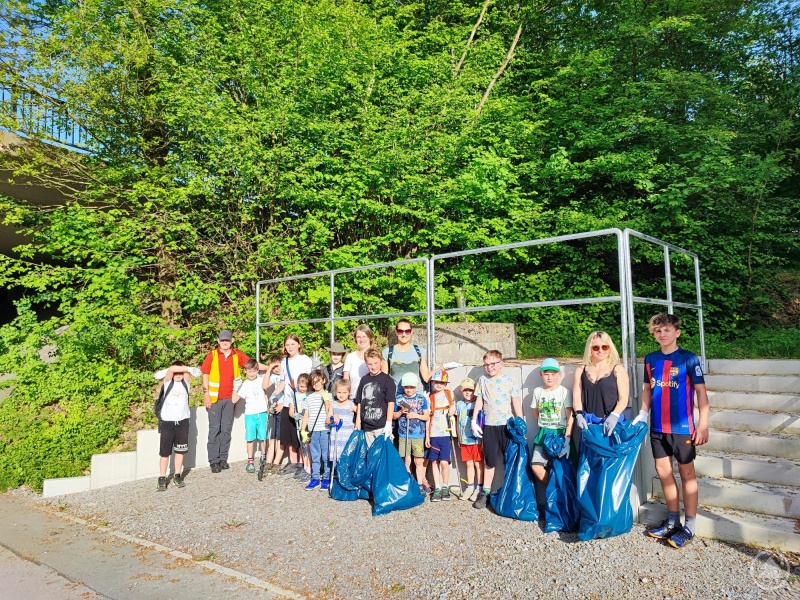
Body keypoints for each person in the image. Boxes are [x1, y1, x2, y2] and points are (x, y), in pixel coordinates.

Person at [635, 313, 709, 549]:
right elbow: (647, 390)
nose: (662, 334)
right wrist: (642, 414)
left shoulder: (689, 358)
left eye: (666, 330)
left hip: (682, 428)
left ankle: (690, 526)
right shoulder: (651, 359)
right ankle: (672, 520)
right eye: (657, 331)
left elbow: (701, 393)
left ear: (677, 332)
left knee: (687, 474)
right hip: (657, 427)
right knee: (664, 472)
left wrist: (703, 423)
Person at [470, 350, 523, 509]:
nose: (489, 367)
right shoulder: (482, 381)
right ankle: (485, 492)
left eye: (492, 364)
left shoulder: (509, 381)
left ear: (501, 364)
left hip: (507, 426)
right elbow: (479, 401)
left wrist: (520, 421)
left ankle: (509, 492)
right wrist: (474, 420)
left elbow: (515, 402)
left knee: (509, 460)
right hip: (489, 427)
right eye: (486, 364)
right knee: (490, 461)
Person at [201, 330, 257, 473]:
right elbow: (205, 374)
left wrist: (270, 368)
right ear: (218, 341)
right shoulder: (212, 355)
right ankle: (213, 461)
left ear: (231, 341)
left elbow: (252, 366)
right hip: (214, 399)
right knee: (214, 430)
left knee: (226, 430)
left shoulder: (236, 354)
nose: (225, 342)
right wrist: (206, 394)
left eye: (227, 340)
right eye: (222, 340)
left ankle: (223, 459)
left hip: (229, 399)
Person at [572, 331, 629, 437]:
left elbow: (624, 398)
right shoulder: (581, 370)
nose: (600, 350)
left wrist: (614, 415)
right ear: (590, 349)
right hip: (589, 425)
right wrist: (578, 415)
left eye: (604, 347)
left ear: (610, 348)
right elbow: (576, 396)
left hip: (612, 423)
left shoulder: (618, 369)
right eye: (596, 347)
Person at [271, 335, 313, 477]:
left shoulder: (305, 360)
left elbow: (309, 380)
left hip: (301, 401)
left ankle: (303, 463)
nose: (290, 347)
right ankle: (293, 462)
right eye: (287, 344)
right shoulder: (284, 361)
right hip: (288, 402)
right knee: (288, 432)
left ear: (299, 345)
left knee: (301, 433)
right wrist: (275, 394)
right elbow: (284, 381)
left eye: (293, 344)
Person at [530, 358, 573, 488]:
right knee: (536, 466)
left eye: (553, 374)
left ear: (559, 374)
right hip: (543, 433)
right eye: (546, 374)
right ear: (541, 374)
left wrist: (567, 439)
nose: (549, 377)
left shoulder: (564, 392)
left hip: (559, 434)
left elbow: (570, 416)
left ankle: (561, 496)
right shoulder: (538, 391)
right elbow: (535, 413)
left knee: (561, 470)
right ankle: (553, 490)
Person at [155, 361, 197, 491]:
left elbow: (187, 373)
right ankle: (162, 477)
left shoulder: (186, 383)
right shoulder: (168, 383)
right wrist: (179, 368)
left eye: (181, 372)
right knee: (165, 452)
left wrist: (187, 370)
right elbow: (171, 370)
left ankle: (177, 475)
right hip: (168, 422)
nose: (178, 374)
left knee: (180, 450)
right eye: (176, 372)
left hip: (182, 421)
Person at [393, 372, 430, 494]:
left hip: (418, 435)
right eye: (406, 387)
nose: (409, 390)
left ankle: (419, 484)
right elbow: (394, 416)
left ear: (417, 386)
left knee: (418, 461)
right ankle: (407, 483)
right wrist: (401, 412)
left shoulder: (421, 399)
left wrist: (415, 415)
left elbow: (426, 417)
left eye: (412, 387)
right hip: (404, 435)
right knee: (406, 460)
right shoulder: (399, 399)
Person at [232, 359, 269, 473]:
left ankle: (264, 457)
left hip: (262, 413)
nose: (252, 374)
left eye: (254, 371)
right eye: (249, 371)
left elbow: (269, 387)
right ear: (245, 371)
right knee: (250, 438)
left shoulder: (261, 380)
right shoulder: (245, 384)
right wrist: (235, 387)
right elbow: (234, 400)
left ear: (258, 371)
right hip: (250, 415)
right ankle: (250, 461)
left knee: (263, 437)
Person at [354, 348, 396, 447]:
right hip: (367, 427)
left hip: (381, 426)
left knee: (381, 456)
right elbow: (360, 401)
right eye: (370, 364)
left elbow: (390, 403)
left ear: (381, 361)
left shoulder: (387, 380)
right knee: (369, 455)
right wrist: (358, 421)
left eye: (376, 363)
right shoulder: (364, 380)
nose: (373, 367)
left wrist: (388, 424)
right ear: (366, 364)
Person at [300, 369, 333, 491]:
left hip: (325, 430)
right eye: (314, 383)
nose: (317, 384)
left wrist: (326, 400)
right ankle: (314, 479)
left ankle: (326, 478)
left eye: (319, 381)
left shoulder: (328, 396)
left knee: (326, 455)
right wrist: (303, 430)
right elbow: (306, 415)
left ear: (324, 380)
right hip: (313, 431)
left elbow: (329, 412)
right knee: (315, 455)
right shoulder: (309, 398)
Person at [426, 370, 456, 502]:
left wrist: (452, 411)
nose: (439, 385)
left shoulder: (449, 394)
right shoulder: (429, 397)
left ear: (445, 384)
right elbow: (427, 417)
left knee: (444, 461)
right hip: (433, 433)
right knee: (434, 461)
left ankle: (445, 485)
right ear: (433, 382)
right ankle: (437, 487)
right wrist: (427, 436)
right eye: (437, 382)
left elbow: (453, 408)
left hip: (445, 433)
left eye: (442, 383)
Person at [381, 318, 432, 393]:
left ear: (411, 332)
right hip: (396, 398)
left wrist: (443, 367)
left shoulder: (420, 351)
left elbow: (426, 377)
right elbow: (383, 380)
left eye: (407, 331)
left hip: (417, 399)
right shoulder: (387, 352)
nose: (404, 334)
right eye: (400, 331)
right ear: (396, 332)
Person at [455, 377, 483, 502]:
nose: (468, 393)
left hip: (476, 440)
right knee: (469, 464)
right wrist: (458, 437)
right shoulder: (459, 404)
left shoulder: (478, 403)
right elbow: (456, 420)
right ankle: (470, 487)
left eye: (470, 390)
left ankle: (479, 488)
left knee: (478, 464)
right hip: (464, 440)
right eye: (465, 390)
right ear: (461, 391)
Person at [263, 355, 283, 475]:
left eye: (277, 366)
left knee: (280, 437)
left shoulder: (284, 376)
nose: (276, 369)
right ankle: (268, 461)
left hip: (284, 407)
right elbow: (264, 386)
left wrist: (282, 404)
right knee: (273, 436)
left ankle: (276, 462)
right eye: (273, 367)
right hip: (275, 408)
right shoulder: (274, 376)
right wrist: (269, 370)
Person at [343, 325, 374, 400]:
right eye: (358, 337)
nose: (361, 339)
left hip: (370, 399)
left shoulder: (376, 356)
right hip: (353, 398)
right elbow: (346, 380)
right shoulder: (350, 357)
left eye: (364, 336)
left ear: (370, 338)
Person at [330, 379, 357, 466]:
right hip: (336, 435)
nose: (341, 395)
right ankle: (336, 476)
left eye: (344, 392)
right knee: (336, 458)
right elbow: (328, 419)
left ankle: (346, 476)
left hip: (347, 435)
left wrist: (356, 424)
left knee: (347, 457)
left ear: (349, 392)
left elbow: (360, 414)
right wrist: (332, 417)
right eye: (339, 392)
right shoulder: (333, 404)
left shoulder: (351, 404)